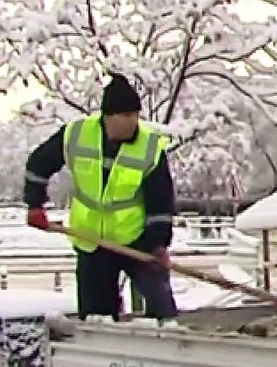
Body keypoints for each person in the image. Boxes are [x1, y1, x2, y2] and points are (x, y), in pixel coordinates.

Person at [23, 73, 178, 321]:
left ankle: (167, 341)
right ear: (108, 117)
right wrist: (34, 205)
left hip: (136, 238)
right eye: (126, 116)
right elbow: (38, 164)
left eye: (136, 115)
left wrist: (159, 244)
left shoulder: (149, 146)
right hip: (91, 239)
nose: (133, 122)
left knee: (162, 307)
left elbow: (160, 198)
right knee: (97, 315)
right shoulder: (76, 134)